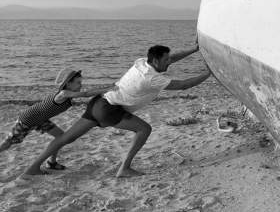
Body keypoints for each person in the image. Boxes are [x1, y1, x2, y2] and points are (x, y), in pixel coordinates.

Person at [24, 43, 211, 177]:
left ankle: (32, 168)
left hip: (99, 102)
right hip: (109, 109)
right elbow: (184, 85)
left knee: (66, 138)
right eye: (166, 60)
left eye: (169, 58)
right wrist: (209, 73)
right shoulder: (152, 78)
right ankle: (124, 168)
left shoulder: (142, 62)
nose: (169, 62)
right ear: (155, 60)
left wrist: (194, 49)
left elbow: (172, 59)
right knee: (144, 129)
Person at [0, 68, 113, 171]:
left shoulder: (67, 93)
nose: (81, 85)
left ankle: (51, 163)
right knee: (9, 142)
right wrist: (107, 89)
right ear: (68, 83)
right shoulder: (63, 94)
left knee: (60, 137)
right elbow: (86, 94)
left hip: (41, 119)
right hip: (29, 118)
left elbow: (85, 93)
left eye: (81, 82)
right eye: (78, 82)